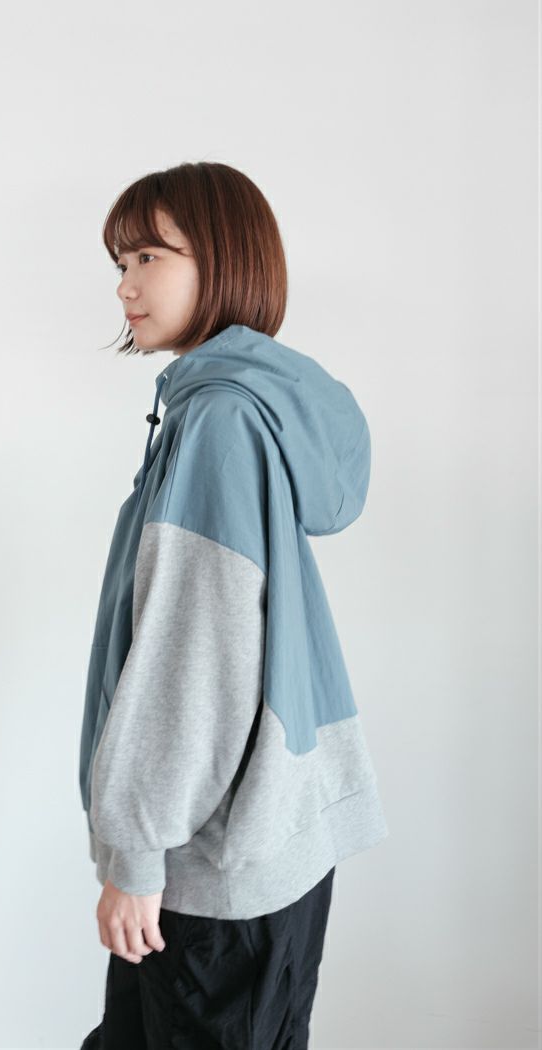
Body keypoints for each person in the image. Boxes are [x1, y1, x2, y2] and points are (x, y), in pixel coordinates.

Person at [78, 161, 389, 1049]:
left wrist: (137, 853)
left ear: (221, 258)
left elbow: (194, 660)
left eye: (149, 256)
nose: (125, 286)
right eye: (120, 263)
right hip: (267, 844)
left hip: (214, 863)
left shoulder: (220, 420)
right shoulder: (242, 410)